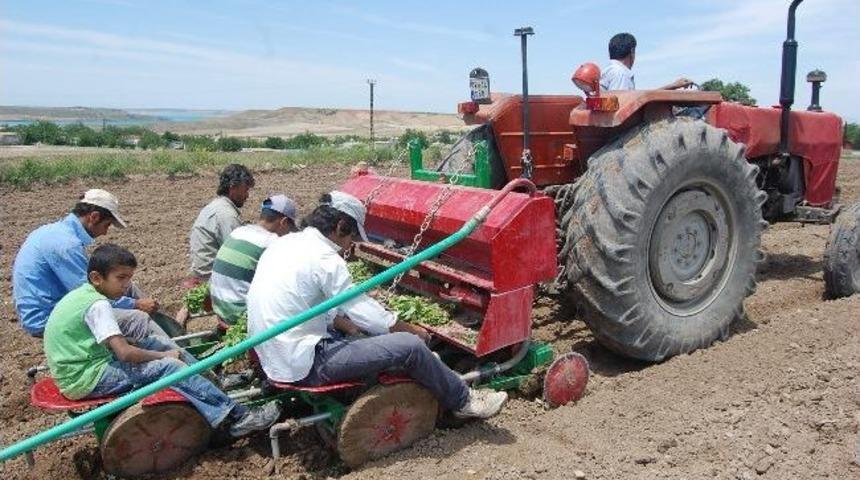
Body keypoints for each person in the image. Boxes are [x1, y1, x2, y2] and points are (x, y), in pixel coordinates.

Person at [247, 191, 508, 419]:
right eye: (351, 238)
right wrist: (408, 330)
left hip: (272, 357)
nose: (350, 246)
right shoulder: (325, 259)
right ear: (340, 226)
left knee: (370, 337)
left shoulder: (284, 245)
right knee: (411, 346)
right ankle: (465, 402)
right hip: (305, 363)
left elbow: (316, 306)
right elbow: (363, 311)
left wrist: (351, 328)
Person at [43, 243, 280, 437]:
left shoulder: (84, 295)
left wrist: (160, 351)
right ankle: (236, 417)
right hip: (85, 378)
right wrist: (164, 357)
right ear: (97, 277)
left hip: (86, 365)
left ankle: (212, 382)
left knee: (157, 344)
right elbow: (124, 353)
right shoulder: (98, 305)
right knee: (169, 365)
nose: (126, 286)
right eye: (121, 278)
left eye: (129, 278)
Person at [12, 189, 164, 338]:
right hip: (46, 318)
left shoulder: (53, 232)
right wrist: (135, 305)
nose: (105, 233)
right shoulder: (66, 245)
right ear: (94, 217)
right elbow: (89, 295)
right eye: (107, 225)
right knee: (137, 319)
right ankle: (177, 355)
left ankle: (168, 330)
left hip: (57, 306)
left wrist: (136, 302)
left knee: (127, 285)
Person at [210, 194, 299, 325]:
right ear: (284, 222)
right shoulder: (271, 243)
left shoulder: (238, 232)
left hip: (221, 310)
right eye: (290, 229)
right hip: (242, 317)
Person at [189, 164, 255, 280]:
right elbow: (238, 255)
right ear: (233, 187)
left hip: (202, 272)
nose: (247, 195)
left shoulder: (215, 206)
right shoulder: (227, 215)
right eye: (245, 189)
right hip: (212, 278)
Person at [599, 32, 693, 91]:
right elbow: (624, 106)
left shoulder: (609, 71)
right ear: (632, 52)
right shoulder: (621, 73)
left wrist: (673, 85)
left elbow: (637, 100)